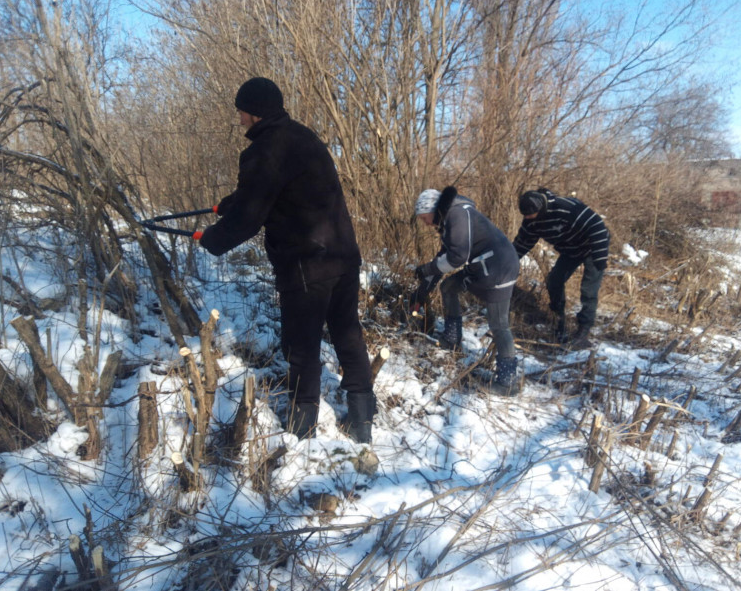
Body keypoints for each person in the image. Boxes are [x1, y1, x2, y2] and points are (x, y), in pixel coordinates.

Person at [198, 77, 376, 444]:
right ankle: (363, 421)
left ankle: (301, 427)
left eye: (242, 111)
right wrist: (225, 206)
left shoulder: (264, 150)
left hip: (306, 263)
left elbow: (250, 216)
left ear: (255, 112)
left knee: (302, 345)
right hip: (343, 256)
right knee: (348, 336)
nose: (240, 119)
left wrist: (212, 238)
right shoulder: (302, 137)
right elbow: (270, 192)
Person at [413, 186, 520, 395]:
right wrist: (422, 290)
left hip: (499, 268)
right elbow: (443, 258)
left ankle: (508, 382)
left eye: (425, 218)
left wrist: (427, 269)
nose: (425, 223)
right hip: (484, 266)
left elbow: (457, 258)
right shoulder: (448, 219)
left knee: (499, 325)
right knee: (449, 287)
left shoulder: (457, 215)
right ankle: (453, 339)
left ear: (433, 210)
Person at [512, 187, 610, 347]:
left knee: (588, 289)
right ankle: (558, 318)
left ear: (540, 208)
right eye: (526, 216)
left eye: (531, 214)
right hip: (571, 250)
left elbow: (597, 226)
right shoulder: (531, 221)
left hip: (593, 247)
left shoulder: (567, 207)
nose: (528, 218)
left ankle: (584, 330)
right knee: (554, 281)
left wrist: (599, 259)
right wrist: (508, 261)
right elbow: (522, 243)